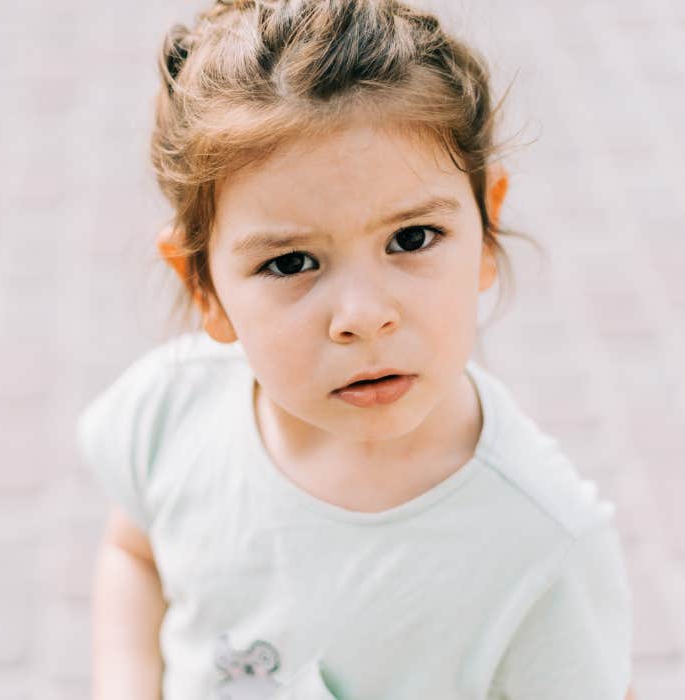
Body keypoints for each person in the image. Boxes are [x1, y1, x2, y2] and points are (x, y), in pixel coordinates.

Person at [75, 1, 635, 698]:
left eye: (411, 238)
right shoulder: (173, 411)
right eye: (290, 263)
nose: (365, 318)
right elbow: (134, 553)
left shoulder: (542, 546)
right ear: (204, 288)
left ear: (486, 232)